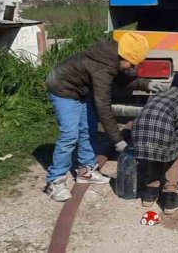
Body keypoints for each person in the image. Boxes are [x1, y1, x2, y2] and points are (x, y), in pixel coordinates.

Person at [43, 33, 150, 202]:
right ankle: (54, 181)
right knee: (70, 135)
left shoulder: (113, 56)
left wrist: (147, 84)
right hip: (62, 89)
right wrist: (118, 141)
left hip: (79, 89)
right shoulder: (103, 68)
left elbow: (122, 80)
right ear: (124, 56)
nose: (131, 68)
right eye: (131, 63)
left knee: (89, 129)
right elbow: (103, 107)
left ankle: (85, 172)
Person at [132, 73, 178, 214]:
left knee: (155, 154)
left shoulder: (159, 95)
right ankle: (170, 197)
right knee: (173, 159)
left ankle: (149, 193)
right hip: (161, 131)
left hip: (138, 132)